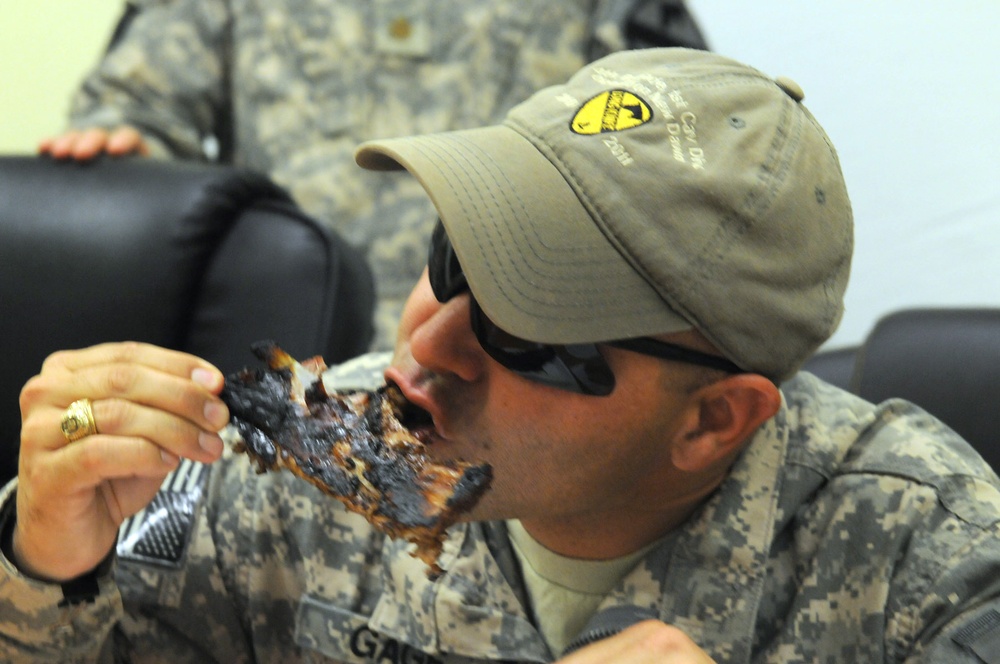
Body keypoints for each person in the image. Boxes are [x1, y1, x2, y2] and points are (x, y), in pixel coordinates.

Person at [4, 48, 999, 663]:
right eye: (453, 256)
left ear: (711, 420)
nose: (425, 346)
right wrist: (41, 554)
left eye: (532, 329)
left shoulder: (930, 562)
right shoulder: (293, 447)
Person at [38, 0, 708, 351]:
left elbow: (672, 138)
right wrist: (124, 159)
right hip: (286, 355)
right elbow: (136, 108)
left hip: (510, 354)